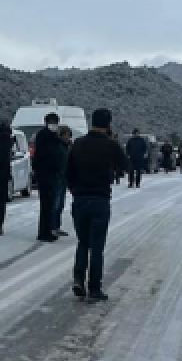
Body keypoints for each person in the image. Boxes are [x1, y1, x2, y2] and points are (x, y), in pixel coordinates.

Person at [66, 108, 128, 303]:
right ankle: (94, 288)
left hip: (80, 199)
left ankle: (78, 279)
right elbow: (125, 165)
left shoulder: (78, 144)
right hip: (100, 200)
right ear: (108, 124)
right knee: (97, 246)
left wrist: (75, 191)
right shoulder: (110, 145)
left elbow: (68, 172)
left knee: (83, 242)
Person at [32, 113, 68, 242]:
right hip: (45, 174)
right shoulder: (43, 135)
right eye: (52, 121)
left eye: (55, 121)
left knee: (50, 203)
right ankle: (44, 232)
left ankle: (47, 230)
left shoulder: (53, 136)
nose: (54, 124)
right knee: (46, 204)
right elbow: (44, 155)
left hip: (52, 174)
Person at [52, 126, 73, 236]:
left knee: (60, 204)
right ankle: (53, 226)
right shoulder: (58, 146)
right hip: (58, 177)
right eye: (66, 134)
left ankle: (56, 226)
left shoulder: (68, 146)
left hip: (65, 177)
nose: (68, 137)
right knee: (55, 203)